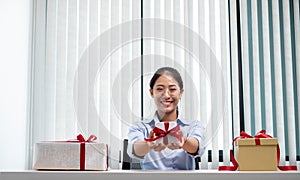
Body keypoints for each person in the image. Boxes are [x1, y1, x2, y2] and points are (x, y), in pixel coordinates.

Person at [127, 66, 206, 170]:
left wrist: (184, 141)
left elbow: (197, 146)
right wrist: (148, 144)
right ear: (151, 92)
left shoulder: (193, 125)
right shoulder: (140, 126)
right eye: (160, 89)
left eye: (172, 89)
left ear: (181, 93)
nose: (166, 95)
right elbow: (134, 149)